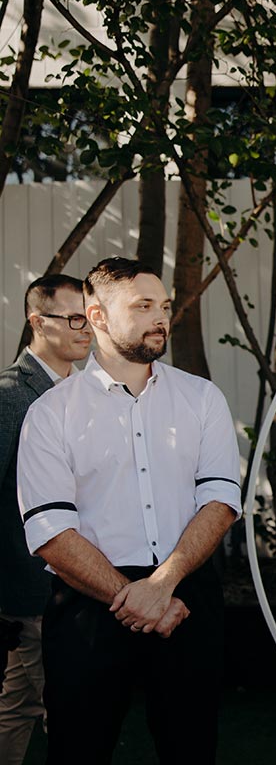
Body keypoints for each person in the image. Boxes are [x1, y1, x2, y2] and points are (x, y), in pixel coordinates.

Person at [16, 257, 242, 764]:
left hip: (186, 598)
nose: (159, 317)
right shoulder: (51, 412)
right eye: (142, 306)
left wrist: (161, 587)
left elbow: (222, 500)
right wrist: (133, 597)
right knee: (79, 750)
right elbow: (50, 529)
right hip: (87, 606)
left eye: (162, 306)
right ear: (96, 316)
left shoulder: (202, 398)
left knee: (191, 749)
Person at [0, 275, 92, 765]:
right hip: (33, 587)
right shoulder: (11, 395)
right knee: (68, 709)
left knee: (19, 703)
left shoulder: (82, 390)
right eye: (74, 318)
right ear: (38, 322)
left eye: (89, 317)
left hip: (78, 578)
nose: (86, 329)